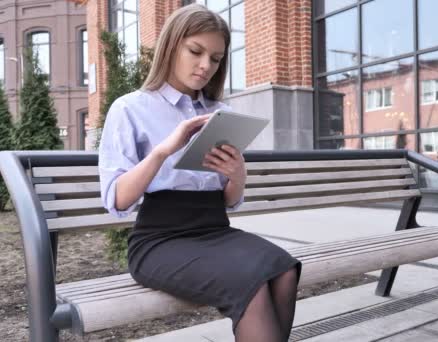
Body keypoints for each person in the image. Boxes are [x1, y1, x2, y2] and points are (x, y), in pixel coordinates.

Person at [98, 4, 301, 342]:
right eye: (196, 51)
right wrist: (164, 149)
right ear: (171, 46)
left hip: (214, 229)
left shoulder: (220, 112)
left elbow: (230, 202)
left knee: (284, 269)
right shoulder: (131, 108)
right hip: (159, 240)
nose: (206, 65)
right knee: (251, 284)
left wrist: (237, 173)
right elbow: (117, 199)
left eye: (217, 58)